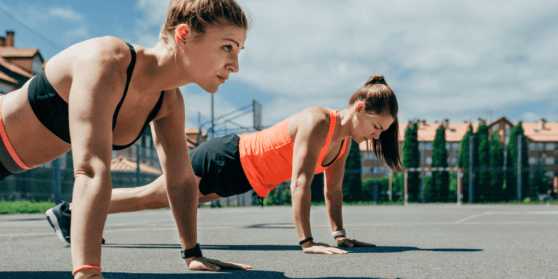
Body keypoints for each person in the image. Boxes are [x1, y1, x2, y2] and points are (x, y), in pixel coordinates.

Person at [0, 0, 249, 279]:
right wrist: (89, 275)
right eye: (227, 47)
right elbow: (91, 168)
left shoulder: (168, 102)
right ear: (184, 35)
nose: (236, 64)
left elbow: (181, 180)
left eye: (239, 50)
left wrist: (192, 252)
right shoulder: (107, 61)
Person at [48, 75, 403, 255]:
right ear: (358, 109)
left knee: (154, 197)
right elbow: (300, 181)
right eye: (376, 127)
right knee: (153, 196)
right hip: (228, 157)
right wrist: (307, 241)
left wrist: (339, 235)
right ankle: (71, 211)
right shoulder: (318, 122)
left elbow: (334, 190)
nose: (374, 137)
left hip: (242, 178)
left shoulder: (341, 146)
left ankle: (72, 213)